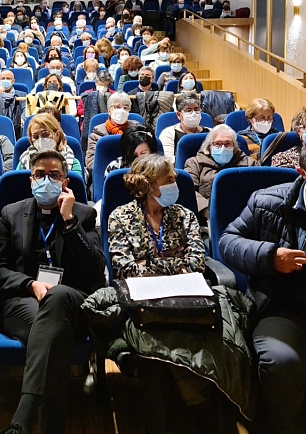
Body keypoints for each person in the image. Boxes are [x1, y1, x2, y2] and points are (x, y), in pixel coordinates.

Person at [220, 137, 306, 434]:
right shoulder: (267, 201)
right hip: (284, 307)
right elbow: (228, 241)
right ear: (303, 173)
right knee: (282, 363)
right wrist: (270, 256)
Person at [0, 149, 105, 434]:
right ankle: (51, 425)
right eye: (40, 175)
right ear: (31, 181)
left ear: (66, 181)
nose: (46, 180)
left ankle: (21, 421)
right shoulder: (11, 213)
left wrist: (69, 221)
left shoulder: (83, 215)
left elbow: (95, 268)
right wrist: (30, 285)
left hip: (72, 302)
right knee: (54, 338)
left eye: (54, 175)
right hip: (23, 301)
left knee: (58, 296)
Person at [107, 153, 207, 433]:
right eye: (169, 180)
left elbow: (197, 262)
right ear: (149, 185)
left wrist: (148, 265)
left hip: (185, 298)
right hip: (143, 302)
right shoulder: (121, 217)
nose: (176, 184)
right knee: (156, 352)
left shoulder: (184, 215)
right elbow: (123, 268)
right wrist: (175, 264)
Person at [184, 124, 257, 215]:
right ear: (209, 146)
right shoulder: (194, 163)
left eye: (227, 144)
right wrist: (209, 211)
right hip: (207, 217)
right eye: (217, 144)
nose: (223, 148)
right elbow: (189, 191)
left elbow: (259, 191)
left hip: (244, 215)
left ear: (234, 146)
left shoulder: (250, 164)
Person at [17, 113, 83, 176]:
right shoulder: (23, 161)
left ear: (57, 135)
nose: (40, 140)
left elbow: (75, 186)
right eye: (35, 137)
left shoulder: (73, 163)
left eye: (45, 135)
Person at [85, 92, 134, 171]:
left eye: (125, 108)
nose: (122, 111)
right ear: (109, 111)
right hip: (106, 175)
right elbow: (90, 162)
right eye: (118, 107)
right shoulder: (97, 134)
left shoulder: (136, 130)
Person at [159, 92, 211, 164]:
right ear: (178, 115)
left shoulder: (210, 132)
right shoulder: (168, 134)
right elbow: (169, 161)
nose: (193, 113)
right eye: (188, 110)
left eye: (196, 109)